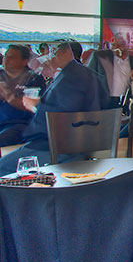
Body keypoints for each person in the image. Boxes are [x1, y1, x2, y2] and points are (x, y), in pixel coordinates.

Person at [0, 41, 109, 175]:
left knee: (2, 168)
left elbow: (61, 113)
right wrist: (38, 103)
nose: (50, 58)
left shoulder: (72, 78)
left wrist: (24, 102)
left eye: (54, 54)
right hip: (63, 142)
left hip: (56, 147)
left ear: (66, 53)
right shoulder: (73, 74)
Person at [0, 45, 47, 147]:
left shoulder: (33, 79)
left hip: (20, 125)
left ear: (24, 61)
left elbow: (34, 107)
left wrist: (8, 95)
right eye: (6, 55)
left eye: (12, 57)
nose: (6, 59)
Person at [87, 33, 133, 108]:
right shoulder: (99, 57)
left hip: (128, 104)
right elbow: (87, 79)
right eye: (116, 44)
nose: (119, 48)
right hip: (103, 103)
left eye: (123, 44)